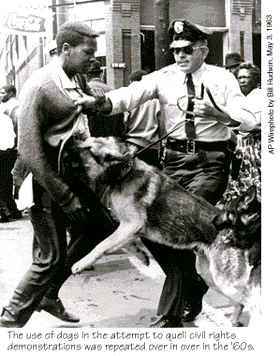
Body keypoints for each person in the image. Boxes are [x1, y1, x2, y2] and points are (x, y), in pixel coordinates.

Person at [73, 19, 258, 327]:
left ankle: (170, 313)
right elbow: (127, 97)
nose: (180, 56)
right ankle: (195, 285)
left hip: (208, 162)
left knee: (187, 222)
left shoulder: (222, 78)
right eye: (175, 50)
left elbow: (249, 120)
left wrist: (218, 114)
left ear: (202, 49)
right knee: (161, 237)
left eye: (186, 50)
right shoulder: (163, 77)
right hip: (172, 161)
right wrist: (97, 102)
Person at [0, 21, 119, 328]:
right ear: (65, 49)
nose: (94, 58)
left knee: (100, 227)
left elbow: (82, 112)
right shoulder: (39, 86)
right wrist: (63, 195)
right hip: (45, 181)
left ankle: (49, 294)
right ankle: (11, 320)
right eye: (88, 51)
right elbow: (28, 151)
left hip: (73, 175)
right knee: (50, 256)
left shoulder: (75, 77)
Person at [222, 62, 261, 203]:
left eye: (246, 77)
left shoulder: (260, 95)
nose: (242, 80)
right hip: (242, 149)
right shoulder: (242, 98)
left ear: (255, 79)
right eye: (239, 77)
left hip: (255, 149)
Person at [124, 69, 164, 168]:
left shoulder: (128, 97)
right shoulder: (155, 100)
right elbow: (161, 123)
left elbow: (124, 122)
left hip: (132, 145)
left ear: (132, 82)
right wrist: (162, 145)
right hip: (152, 146)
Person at [86, 60, 125, 138]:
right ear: (101, 73)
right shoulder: (113, 91)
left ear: (87, 75)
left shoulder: (83, 93)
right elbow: (121, 123)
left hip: (90, 142)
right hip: (111, 141)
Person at [0, 85, 22, 221]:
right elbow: (12, 138)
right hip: (8, 152)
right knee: (6, 183)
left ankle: (6, 212)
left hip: (5, 151)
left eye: (2, 93)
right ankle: (13, 211)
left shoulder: (10, 108)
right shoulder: (5, 117)